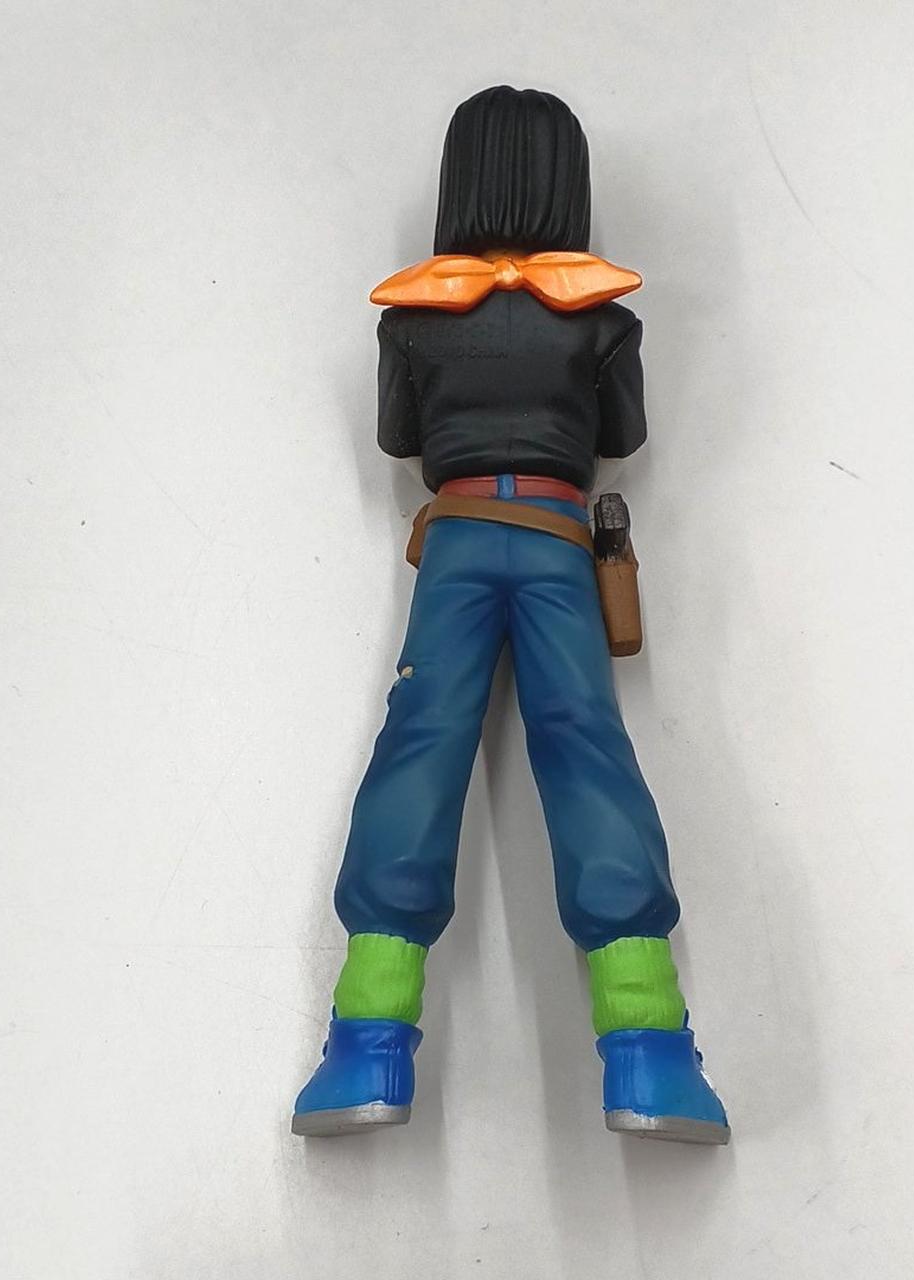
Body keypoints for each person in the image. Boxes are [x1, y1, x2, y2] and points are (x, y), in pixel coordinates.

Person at [292, 86, 729, 1144]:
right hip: (554, 541)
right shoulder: (602, 317)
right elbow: (619, 437)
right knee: (586, 749)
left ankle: (366, 1040)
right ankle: (649, 1049)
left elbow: (400, 440)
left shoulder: (412, 318)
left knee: (420, 745)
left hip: (454, 545)